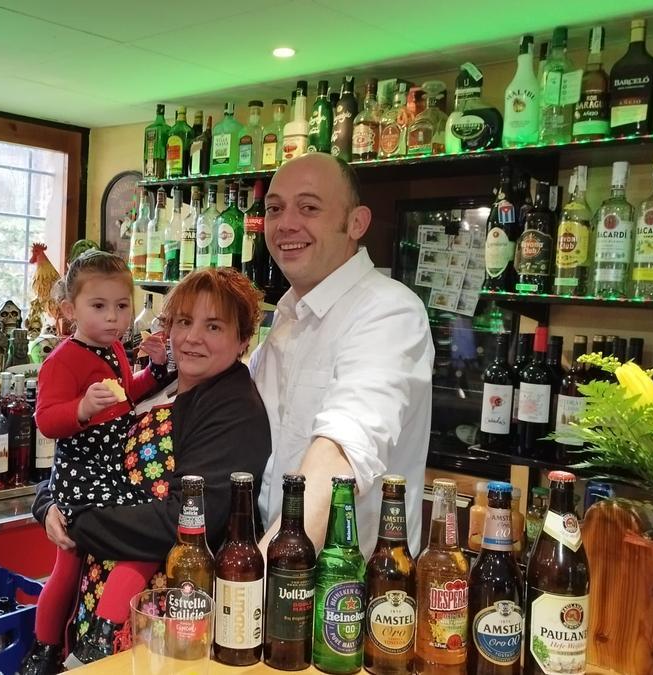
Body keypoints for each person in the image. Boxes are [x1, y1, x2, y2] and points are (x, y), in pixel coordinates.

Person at [30, 268, 272, 670]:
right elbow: (85, 454)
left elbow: (185, 520)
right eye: (183, 321)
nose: (192, 337)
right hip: (98, 603)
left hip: (161, 618)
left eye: (213, 326)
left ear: (244, 339)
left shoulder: (233, 409)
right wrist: (48, 500)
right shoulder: (166, 382)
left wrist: (76, 520)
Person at [252, 152, 434, 558]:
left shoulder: (388, 311)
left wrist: (255, 584)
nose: (286, 224)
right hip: (275, 568)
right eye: (275, 209)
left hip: (348, 598)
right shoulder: (285, 318)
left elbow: (342, 449)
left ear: (356, 223)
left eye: (309, 207)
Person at [19, 250, 168, 675]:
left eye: (122, 306)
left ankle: (44, 654)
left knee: (67, 562)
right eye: (98, 307)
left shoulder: (115, 348)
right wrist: (81, 408)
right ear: (71, 309)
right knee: (142, 542)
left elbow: (125, 394)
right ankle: (98, 640)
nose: (113, 318)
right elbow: (46, 421)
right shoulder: (61, 361)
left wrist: (155, 372)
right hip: (84, 470)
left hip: (104, 465)